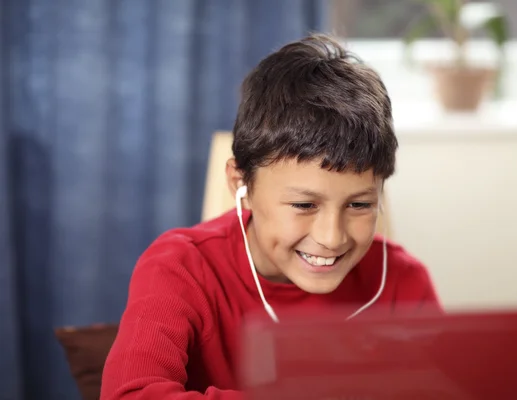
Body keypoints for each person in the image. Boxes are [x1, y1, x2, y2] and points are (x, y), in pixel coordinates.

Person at [100, 33, 441, 400]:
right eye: (304, 205)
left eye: (359, 205)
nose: (332, 237)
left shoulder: (404, 281)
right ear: (240, 184)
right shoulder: (180, 267)